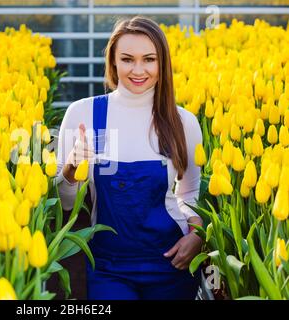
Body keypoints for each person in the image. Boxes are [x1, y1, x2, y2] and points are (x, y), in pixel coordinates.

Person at [55, 16, 204, 300]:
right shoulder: (83, 114)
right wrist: (73, 167)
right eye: (127, 59)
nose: (138, 70)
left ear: (163, 63)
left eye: (149, 59)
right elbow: (66, 203)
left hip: (171, 263)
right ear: (113, 62)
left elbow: (191, 192)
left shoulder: (183, 121)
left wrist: (196, 236)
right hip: (108, 267)